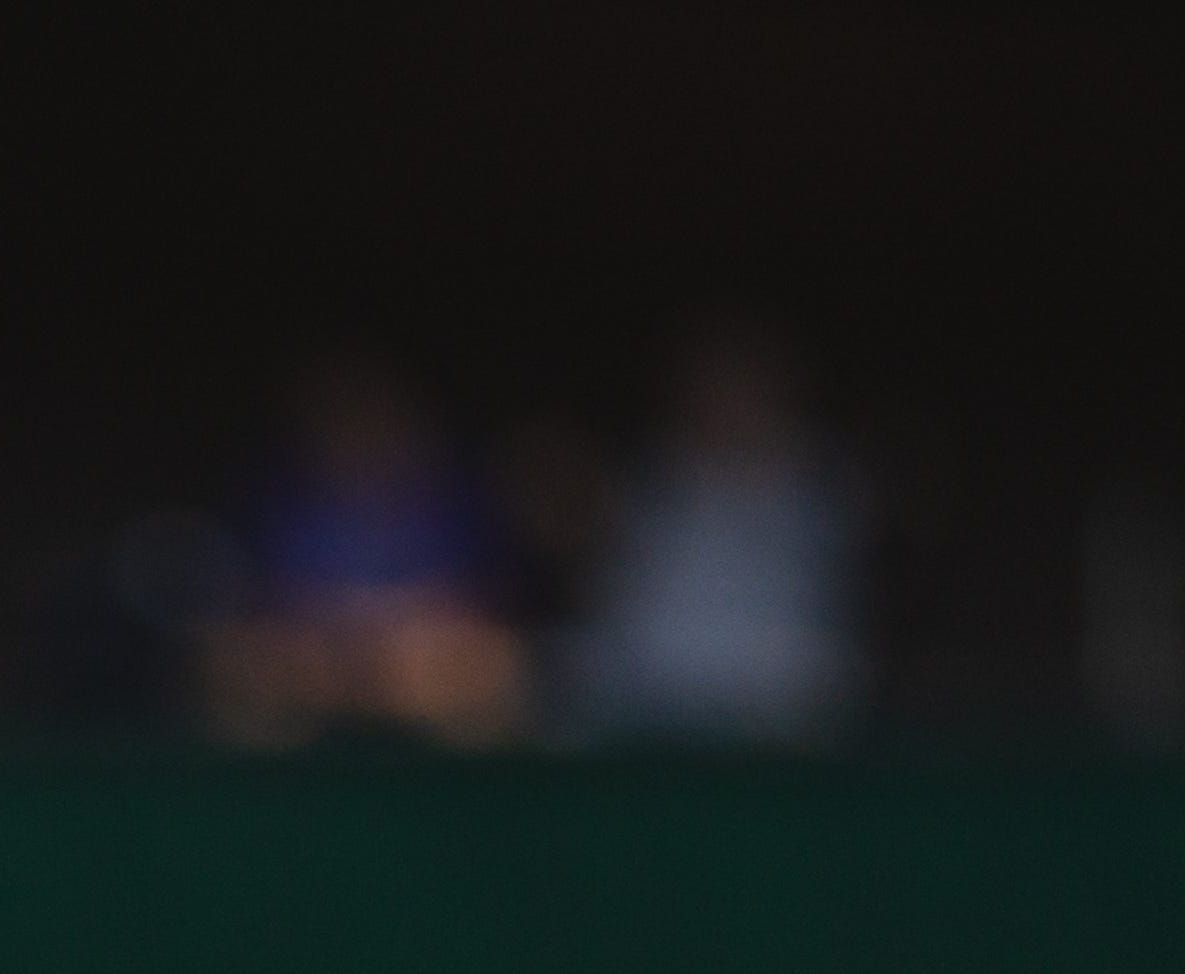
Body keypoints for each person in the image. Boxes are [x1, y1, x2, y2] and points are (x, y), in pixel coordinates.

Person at [555, 317, 863, 745]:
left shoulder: (819, 492)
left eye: (747, 383)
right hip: (648, 726)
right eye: (716, 383)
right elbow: (616, 618)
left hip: (778, 738)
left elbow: (824, 641)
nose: (732, 398)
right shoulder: (652, 487)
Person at [200, 358, 531, 747]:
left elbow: (485, 594)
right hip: (318, 655)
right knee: (241, 665)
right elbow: (264, 595)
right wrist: (348, 634)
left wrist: (393, 633)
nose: (360, 428)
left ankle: (466, 800)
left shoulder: (455, 500)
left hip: (420, 655)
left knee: (488, 667)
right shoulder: (282, 499)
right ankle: (269, 799)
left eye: (374, 411)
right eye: (341, 413)